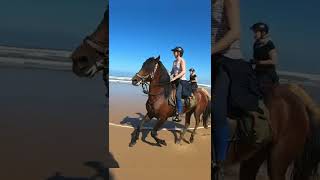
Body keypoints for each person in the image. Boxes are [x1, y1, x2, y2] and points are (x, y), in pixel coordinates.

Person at [212, 0, 261, 176]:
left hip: (227, 59)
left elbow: (235, 33)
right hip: (211, 58)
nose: (255, 34)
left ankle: (220, 164)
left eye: (257, 32)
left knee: (217, 110)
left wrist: (209, 50)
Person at [250, 22, 279, 95]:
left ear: (263, 32)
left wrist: (258, 62)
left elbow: (274, 61)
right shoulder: (256, 44)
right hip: (258, 71)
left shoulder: (269, 44)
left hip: (267, 74)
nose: (254, 34)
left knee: (257, 89)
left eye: (256, 32)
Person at [170, 46, 187, 122]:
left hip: (181, 80)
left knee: (177, 95)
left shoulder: (182, 60)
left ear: (179, 53)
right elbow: (172, 71)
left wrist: (175, 77)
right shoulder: (174, 61)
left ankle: (179, 114)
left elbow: (183, 71)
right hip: (174, 79)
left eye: (175, 51)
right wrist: (169, 74)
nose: (173, 53)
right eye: (174, 51)